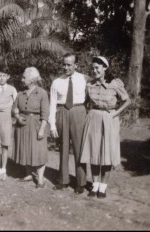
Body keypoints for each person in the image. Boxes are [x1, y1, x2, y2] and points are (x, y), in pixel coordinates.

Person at [80, 56, 131, 198]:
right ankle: (95, 185)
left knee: (107, 154)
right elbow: (85, 102)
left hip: (109, 119)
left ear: (105, 68)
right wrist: (88, 114)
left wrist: (115, 114)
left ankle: (103, 187)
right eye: (93, 68)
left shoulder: (115, 84)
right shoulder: (90, 84)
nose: (94, 70)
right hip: (94, 118)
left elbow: (127, 101)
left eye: (97, 68)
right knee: (94, 153)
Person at [49, 53, 90, 194]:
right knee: (63, 148)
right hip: (62, 112)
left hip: (79, 112)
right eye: (64, 64)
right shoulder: (56, 82)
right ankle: (63, 180)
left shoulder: (85, 79)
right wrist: (52, 125)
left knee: (80, 148)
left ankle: (81, 182)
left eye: (69, 64)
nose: (65, 67)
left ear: (76, 65)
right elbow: (52, 104)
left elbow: (93, 98)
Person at [12, 67, 49, 188]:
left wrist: (42, 129)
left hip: (36, 125)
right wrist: (17, 117)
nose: (22, 79)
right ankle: (28, 175)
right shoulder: (20, 94)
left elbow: (45, 114)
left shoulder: (42, 93)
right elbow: (14, 110)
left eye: (24, 77)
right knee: (25, 149)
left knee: (38, 151)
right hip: (22, 125)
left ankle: (40, 179)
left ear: (32, 80)